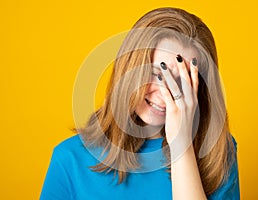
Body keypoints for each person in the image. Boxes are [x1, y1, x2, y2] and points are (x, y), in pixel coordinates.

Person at [40, 7, 240, 200]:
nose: (166, 93)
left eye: (183, 81)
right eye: (156, 74)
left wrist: (182, 145)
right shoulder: (69, 159)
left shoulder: (218, 151)